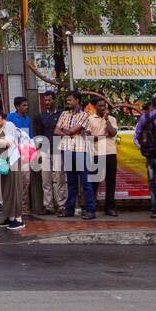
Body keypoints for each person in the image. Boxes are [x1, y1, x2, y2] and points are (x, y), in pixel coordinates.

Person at [56, 90, 96, 220]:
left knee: (85, 182)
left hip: (80, 150)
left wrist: (68, 131)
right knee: (71, 182)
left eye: (70, 100)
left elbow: (74, 130)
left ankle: (90, 210)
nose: (68, 102)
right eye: (67, 100)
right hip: (67, 149)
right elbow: (56, 131)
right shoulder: (64, 113)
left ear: (77, 100)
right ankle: (69, 209)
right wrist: (69, 133)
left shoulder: (84, 115)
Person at [0, 108, 25, 230]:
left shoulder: (9, 125)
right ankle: (9, 217)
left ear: (0, 116)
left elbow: (8, 143)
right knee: (6, 190)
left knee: (14, 189)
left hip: (13, 161)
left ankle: (18, 219)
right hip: (4, 162)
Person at [31, 89, 65, 214]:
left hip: (58, 147)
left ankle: (61, 205)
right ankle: (48, 206)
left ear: (54, 100)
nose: (47, 102)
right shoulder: (41, 116)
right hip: (45, 147)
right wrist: (38, 151)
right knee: (46, 179)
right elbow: (39, 134)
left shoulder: (62, 114)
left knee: (59, 178)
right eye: (45, 100)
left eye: (50, 100)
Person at [90, 98, 119, 216]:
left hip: (111, 153)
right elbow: (88, 138)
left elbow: (112, 133)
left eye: (104, 105)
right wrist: (102, 136)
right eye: (100, 106)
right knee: (94, 182)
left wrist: (106, 120)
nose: (102, 108)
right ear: (94, 107)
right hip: (97, 153)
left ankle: (109, 208)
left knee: (111, 182)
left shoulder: (111, 119)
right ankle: (91, 207)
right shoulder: (90, 119)